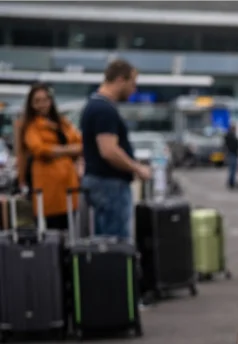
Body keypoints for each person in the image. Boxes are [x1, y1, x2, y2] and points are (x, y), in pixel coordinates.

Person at [79, 59, 151, 240]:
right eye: (132, 83)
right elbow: (108, 150)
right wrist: (137, 168)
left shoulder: (95, 105)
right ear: (120, 80)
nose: (134, 90)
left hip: (100, 182)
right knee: (115, 242)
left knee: (103, 241)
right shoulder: (104, 109)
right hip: (110, 185)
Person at [19, 83, 83, 231]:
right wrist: (68, 150)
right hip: (47, 187)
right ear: (31, 104)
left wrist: (57, 150)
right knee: (50, 230)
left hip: (69, 184)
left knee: (70, 227)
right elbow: (39, 150)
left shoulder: (62, 123)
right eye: (37, 101)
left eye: (45, 99)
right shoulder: (31, 126)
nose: (42, 104)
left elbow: (80, 144)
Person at [224, 125, 238, 190]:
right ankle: (231, 183)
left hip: (231, 153)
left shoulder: (228, 135)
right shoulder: (232, 136)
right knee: (232, 169)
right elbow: (236, 144)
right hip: (233, 153)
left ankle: (231, 182)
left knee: (231, 169)